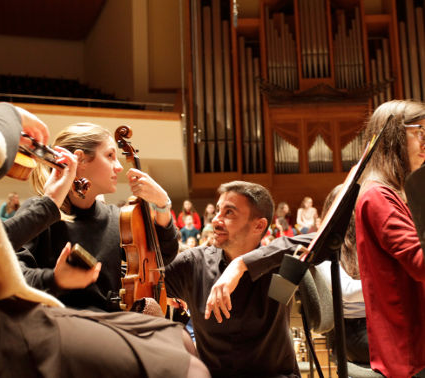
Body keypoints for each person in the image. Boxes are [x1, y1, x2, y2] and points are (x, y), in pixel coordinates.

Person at [0, 1, 208, 376]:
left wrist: (161, 209)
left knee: (179, 339)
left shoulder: (116, 215)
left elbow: (159, 258)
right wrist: (7, 113)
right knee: (184, 366)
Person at [15, 122, 180, 312]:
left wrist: (162, 205)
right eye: (110, 156)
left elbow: (162, 257)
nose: (119, 167)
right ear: (80, 160)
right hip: (62, 323)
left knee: (177, 336)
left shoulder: (118, 219)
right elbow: (14, 274)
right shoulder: (39, 213)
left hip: (111, 323)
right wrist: (55, 278)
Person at [164, 181, 314, 377]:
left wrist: (242, 264)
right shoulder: (194, 263)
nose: (216, 221)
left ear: (259, 225)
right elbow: (147, 279)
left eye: (229, 213)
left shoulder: (280, 263)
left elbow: (322, 240)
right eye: (218, 211)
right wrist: (160, 210)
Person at [354, 100, 425, 378]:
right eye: (420, 132)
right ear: (395, 135)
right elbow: (420, 263)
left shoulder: (395, 192)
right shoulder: (378, 196)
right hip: (410, 348)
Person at [316, 184, 369, 364]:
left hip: (380, 322)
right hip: (352, 331)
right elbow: (347, 291)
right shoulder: (324, 247)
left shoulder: (368, 239)